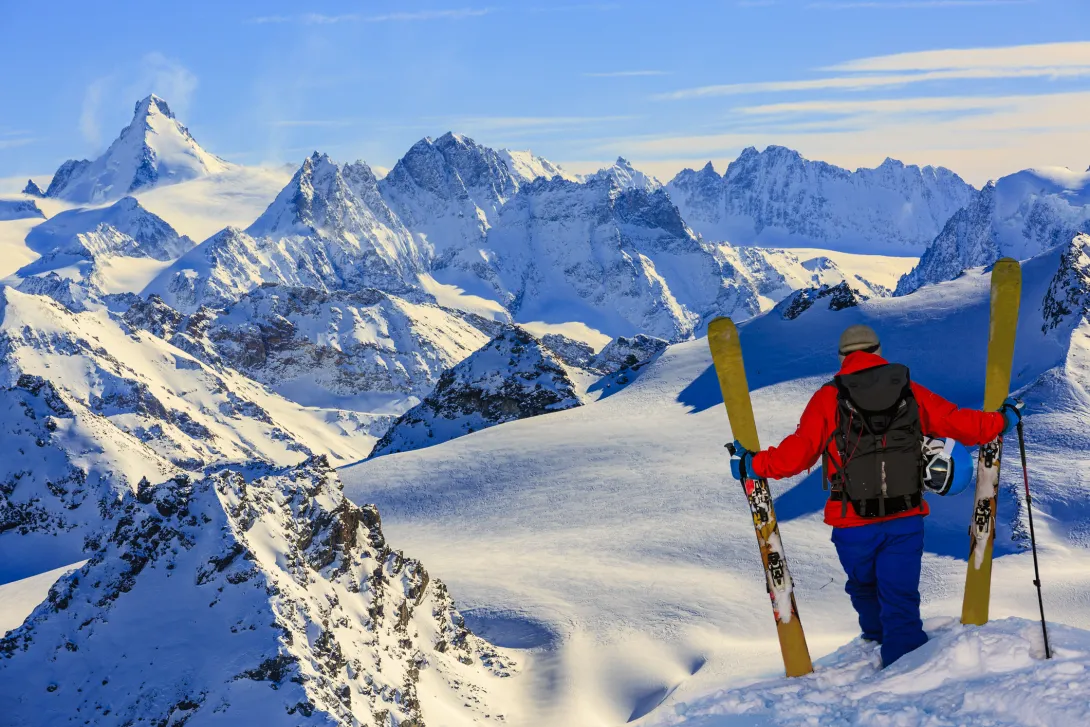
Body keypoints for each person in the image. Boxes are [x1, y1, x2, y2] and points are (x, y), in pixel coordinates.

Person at [729, 324, 1024, 667]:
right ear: (878, 352)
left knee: (863, 586)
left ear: (842, 358)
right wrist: (1003, 420)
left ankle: (874, 637)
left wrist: (752, 464)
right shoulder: (910, 391)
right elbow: (960, 423)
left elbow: (797, 455)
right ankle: (905, 668)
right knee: (899, 596)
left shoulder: (829, 397)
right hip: (906, 517)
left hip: (851, 522)